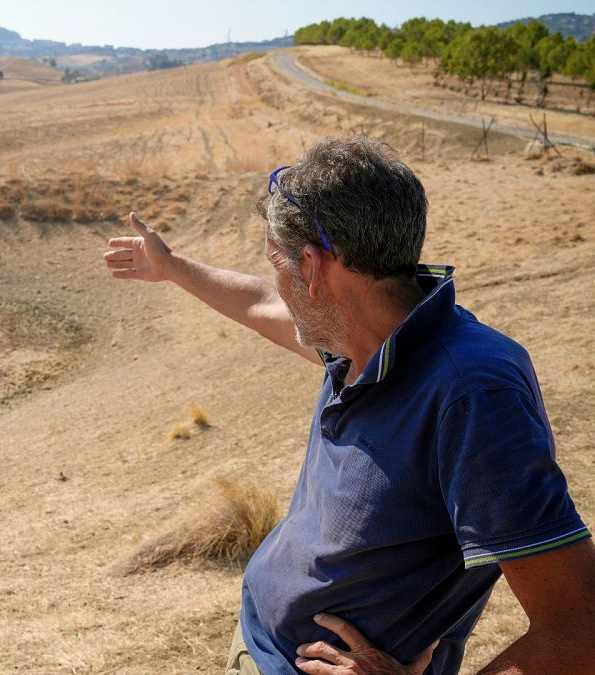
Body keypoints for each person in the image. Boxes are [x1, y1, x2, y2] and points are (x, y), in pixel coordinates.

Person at [102, 136, 595, 674]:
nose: (277, 285)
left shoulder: (472, 393)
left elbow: (579, 631)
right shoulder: (362, 336)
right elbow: (263, 304)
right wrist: (171, 266)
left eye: (276, 263)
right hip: (262, 639)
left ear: (312, 267)